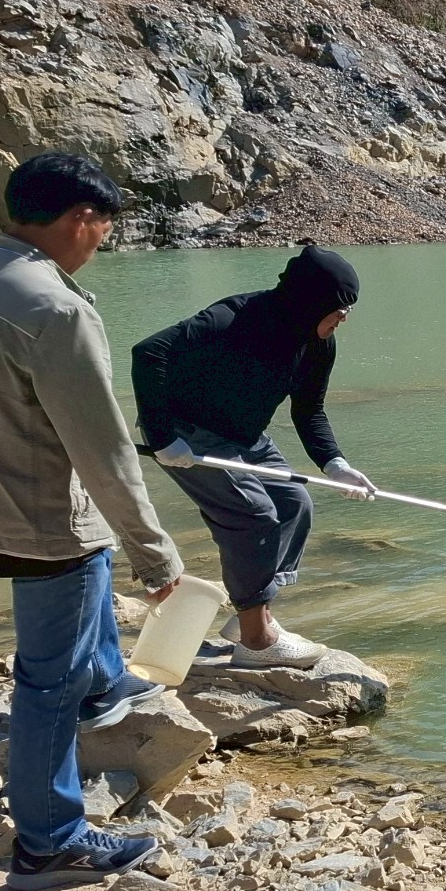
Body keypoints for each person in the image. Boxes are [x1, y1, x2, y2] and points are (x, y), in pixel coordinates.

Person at [0, 152, 181, 884]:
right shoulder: (56, 308)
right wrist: (157, 558)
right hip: (35, 521)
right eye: (102, 227)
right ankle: (50, 837)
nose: (100, 243)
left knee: (87, 567)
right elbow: (104, 453)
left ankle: (105, 680)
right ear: (78, 219)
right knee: (44, 685)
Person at [132, 241, 375, 668]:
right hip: (188, 432)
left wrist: (336, 464)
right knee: (252, 515)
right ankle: (256, 642)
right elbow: (149, 353)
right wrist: (162, 436)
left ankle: (250, 615)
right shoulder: (232, 318)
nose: (345, 317)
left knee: (294, 504)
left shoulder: (318, 344)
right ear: (310, 301)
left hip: (246, 436)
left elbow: (309, 409)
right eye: (339, 307)